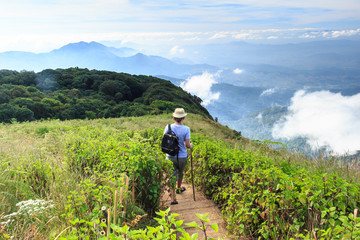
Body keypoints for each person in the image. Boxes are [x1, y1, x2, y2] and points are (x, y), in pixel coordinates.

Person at [164, 108, 193, 205]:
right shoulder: (186, 129)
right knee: (180, 172)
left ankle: (173, 199)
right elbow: (188, 145)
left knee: (172, 176)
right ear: (183, 118)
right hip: (182, 156)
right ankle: (179, 188)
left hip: (170, 155)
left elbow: (165, 140)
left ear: (173, 118)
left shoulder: (168, 127)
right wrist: (191, 145)